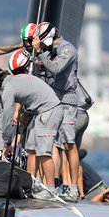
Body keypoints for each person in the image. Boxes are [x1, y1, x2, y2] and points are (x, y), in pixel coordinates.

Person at [0, 49, 63, 198]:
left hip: (50, 111)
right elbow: (33, 98)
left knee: (43, 151)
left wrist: (6, 140)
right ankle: (33, 184)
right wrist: (25, 116)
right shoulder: (19, 80)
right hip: (41, 112)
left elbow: (6, 117)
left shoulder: (7, 87)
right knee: (31, 148)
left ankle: (50, 189)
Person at [31, 22, 82, 202]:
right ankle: (53, 186)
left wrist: (40, 52)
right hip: (53, 100)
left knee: (69, 143)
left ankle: (73, 188)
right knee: (54, 143)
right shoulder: (51, 51)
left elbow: (56, 68)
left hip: (67, 100)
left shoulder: (67, 49)